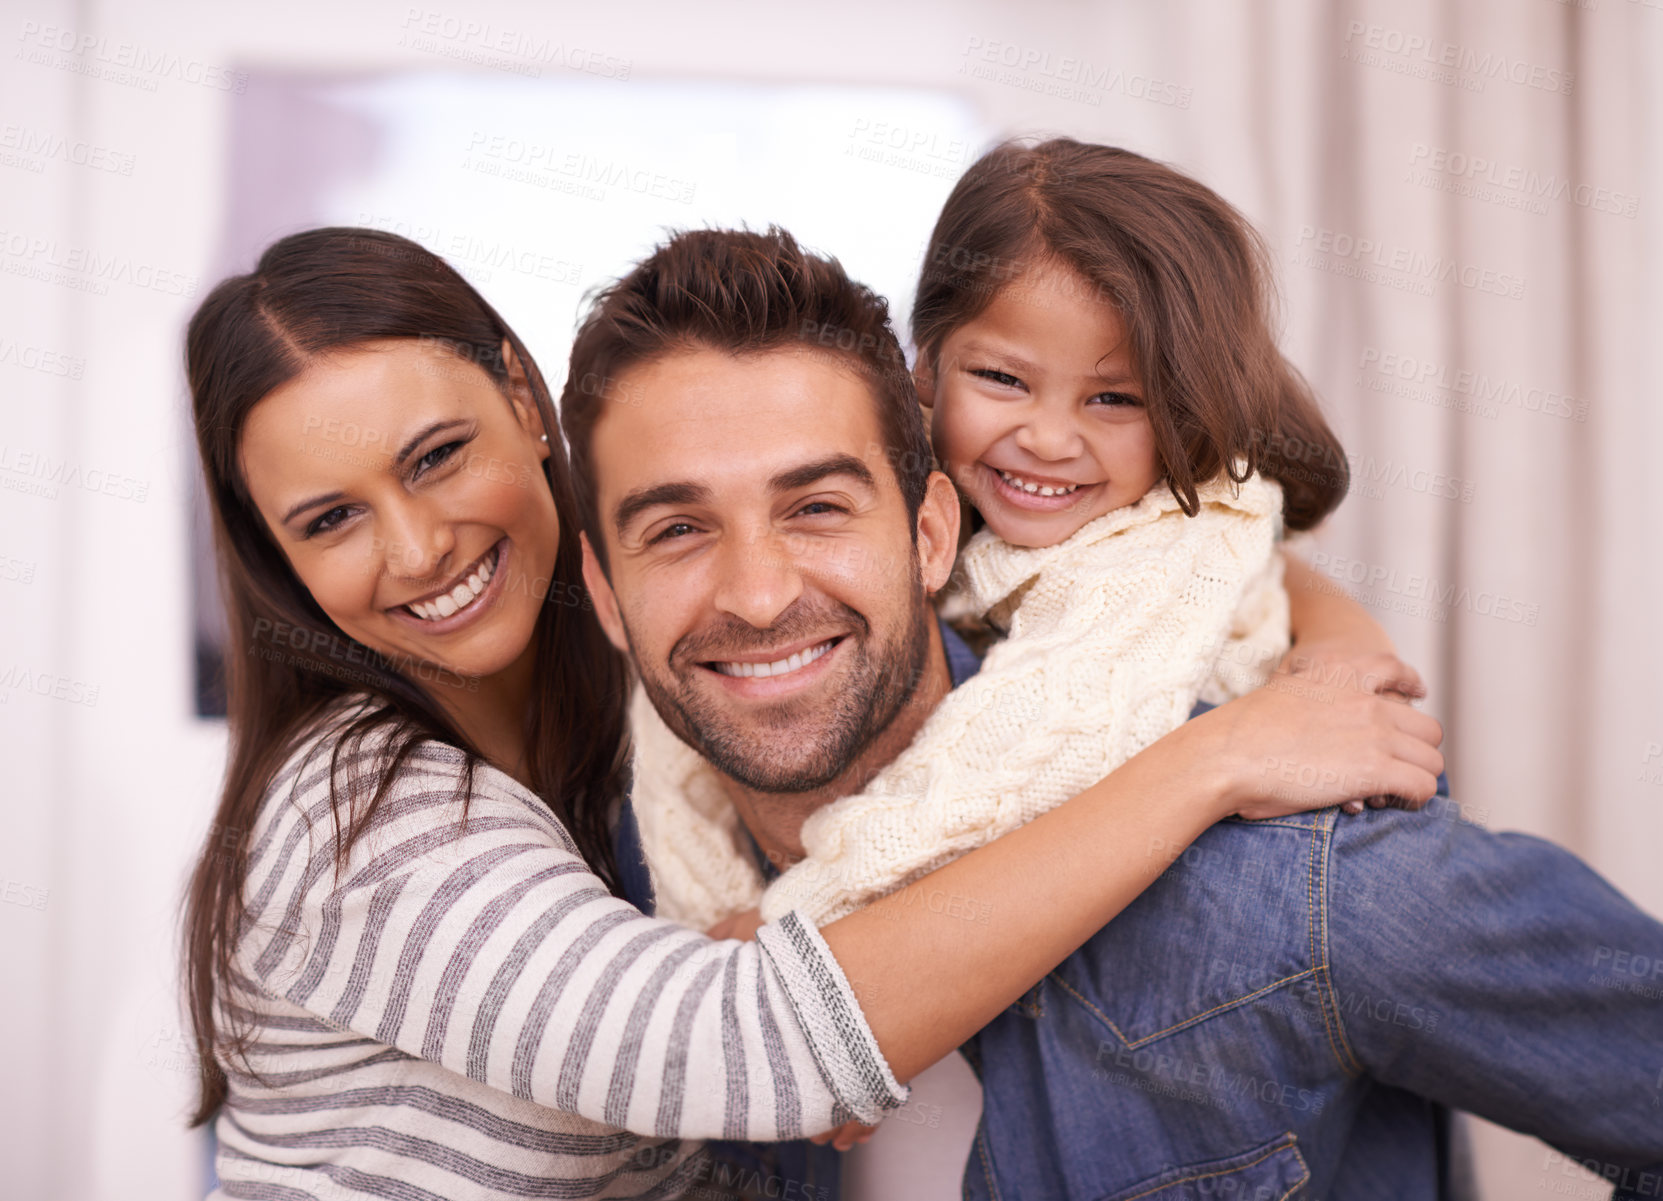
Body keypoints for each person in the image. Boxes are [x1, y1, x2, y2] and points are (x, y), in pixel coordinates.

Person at [177, 227, 1438, 1201]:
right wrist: (1207, 763)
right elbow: (749, 1049)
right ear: (279, 561)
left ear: (521, 395)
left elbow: (1116, 560)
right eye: (327, 520)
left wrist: (1332, 659)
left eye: (434, 455)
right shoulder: (359, 810)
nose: (413, 548)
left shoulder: (656, 659)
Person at [570, 199, 1663, 1199]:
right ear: (604, 596)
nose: (758, 596)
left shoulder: (1294, 880)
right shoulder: (619, 896)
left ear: (930, 531)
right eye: (675, 529)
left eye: (815, 506)